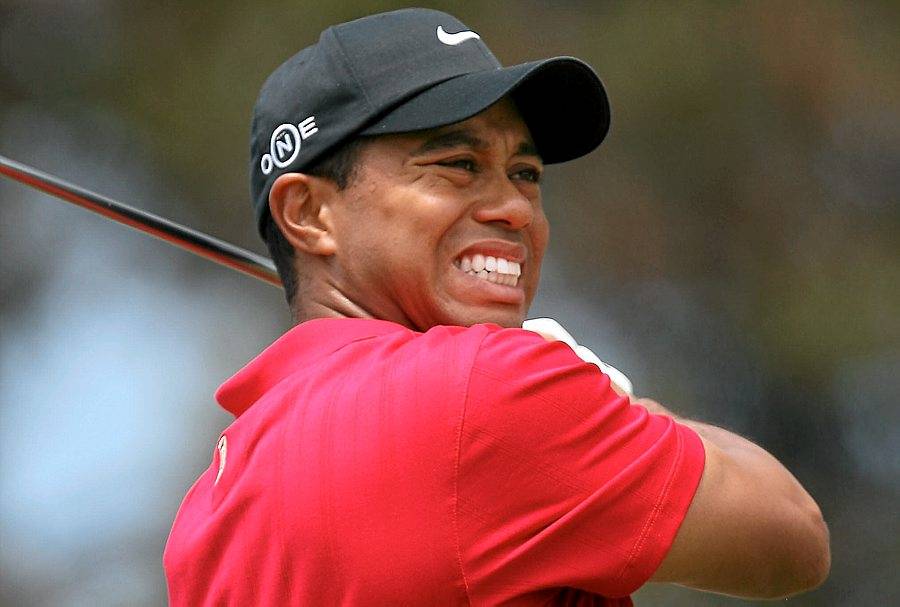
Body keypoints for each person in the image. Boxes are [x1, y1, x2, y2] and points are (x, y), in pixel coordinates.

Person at [163, 8, 830, 606]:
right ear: (309, 213)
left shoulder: (207, 512)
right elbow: (793, 535)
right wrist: (617, 404)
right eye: (457, 164)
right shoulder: (488, 390)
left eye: (525, 174)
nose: (514, 209)